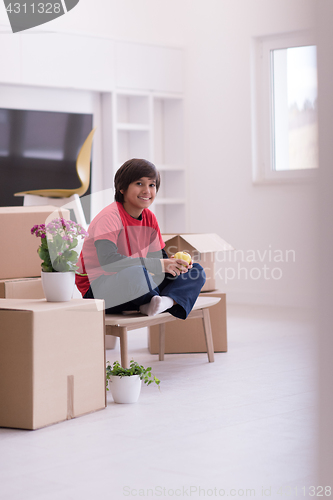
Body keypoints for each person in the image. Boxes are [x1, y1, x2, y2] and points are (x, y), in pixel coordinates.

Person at [76, 158, 206, 319]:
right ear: (122, 188)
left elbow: (158, 260)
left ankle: (161, 302)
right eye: (139, 184)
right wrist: (159, 265)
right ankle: (159, 301)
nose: (147, 190)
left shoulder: (149, 218)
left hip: (137, 285)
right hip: (99, 291)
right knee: (136, 273)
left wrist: (174, 266)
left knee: (195, 271)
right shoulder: (109, 217)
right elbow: (108, 262)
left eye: (152, 185)